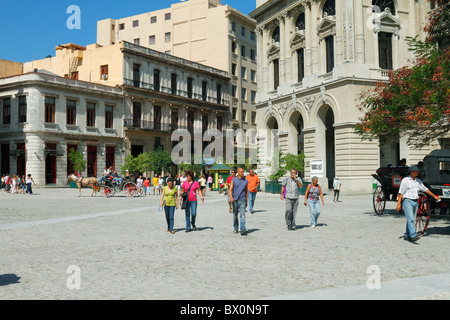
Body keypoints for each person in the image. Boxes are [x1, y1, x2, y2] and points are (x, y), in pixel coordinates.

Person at [397, 165, 440, 242]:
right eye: (417, 171)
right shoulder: (405, 180)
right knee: (410, 219)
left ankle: (407, 234)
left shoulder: (418, 181)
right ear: (412, 172)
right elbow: (400, 193)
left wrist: (434, 196)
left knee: (412, 219)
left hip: (415, 201)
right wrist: (399, 203)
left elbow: (425, 189)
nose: (418, 172)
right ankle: (413, 235)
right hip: (407, 201)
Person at [229, 167, 249, 235]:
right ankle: (235, 228)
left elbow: (246, 191)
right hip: (235, 200)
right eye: (241, 172)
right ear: (238, 172)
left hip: (242, 200)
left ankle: (243, 229)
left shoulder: (246, 181)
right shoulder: (234, 180)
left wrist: (246, 200)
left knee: (242, 215)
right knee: (235, 215)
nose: (243, 173)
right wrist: (231, 197)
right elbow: (230, 189)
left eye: (243, 172)